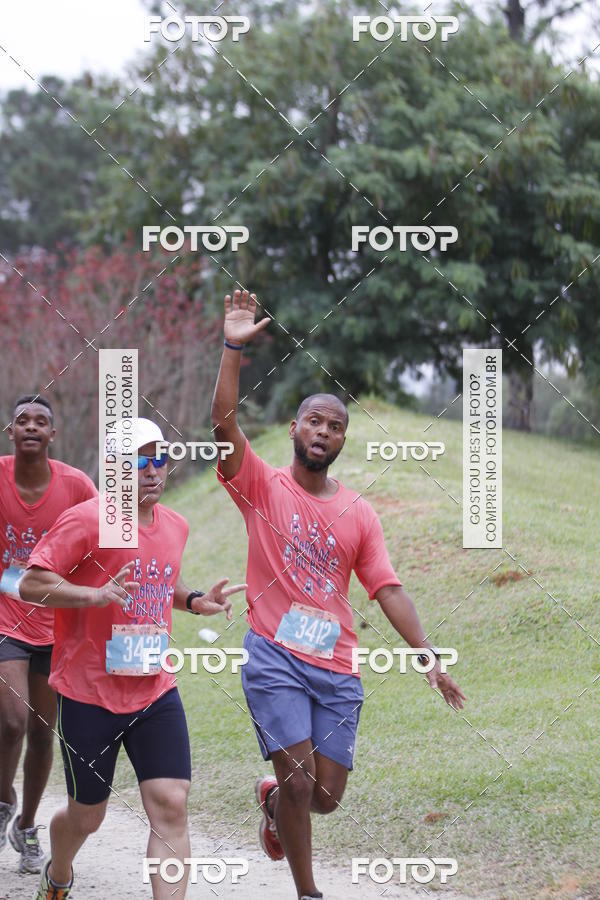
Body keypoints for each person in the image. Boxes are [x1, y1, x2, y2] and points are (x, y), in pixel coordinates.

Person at [211, 290, 466, 900]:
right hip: (273, 654)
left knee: (322, 796)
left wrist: (426, 652)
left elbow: (387, 588)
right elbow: (223, 423)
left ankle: (273, 803)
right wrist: (233, 349)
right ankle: (308, 892)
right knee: (300, 782)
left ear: (342, 439)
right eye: (314, 421)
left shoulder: (358, 511)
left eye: (335, 425)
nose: (323, 431)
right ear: (295, 428)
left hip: (336, 665)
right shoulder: (261, 486)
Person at [20, 418, 246, 900]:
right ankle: (59, 875)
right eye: (139, 459)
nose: (152, 469)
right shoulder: (87, 519)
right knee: (88, 815)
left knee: (170, 803)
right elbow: (31, 582)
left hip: (153, 688)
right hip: (88, 694)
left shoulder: (176, 525)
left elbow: (158, 580)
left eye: (159, 457)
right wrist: (93, 596)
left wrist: (193, 600)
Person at [0, 396, 97, 874]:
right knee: (13, 721)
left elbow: (102, 539)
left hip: (55, 624)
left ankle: (28, 824)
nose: (31, 427)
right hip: (5, 620)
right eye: (23, 421)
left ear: (53, 435)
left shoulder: (77, 486)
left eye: (41, 421)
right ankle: (3, 804)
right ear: (11, 432)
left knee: (42, 733)